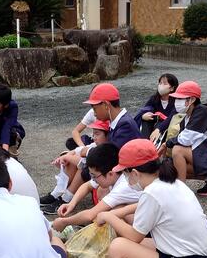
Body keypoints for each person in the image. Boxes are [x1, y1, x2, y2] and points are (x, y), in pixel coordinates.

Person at [41, 84, 140, 213]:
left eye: (94, 107)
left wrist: (85, 152)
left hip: (129, 179)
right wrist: (79, 152)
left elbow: (110, 155)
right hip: (120, 174)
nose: (93, 112)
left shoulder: (125, 124)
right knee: (81, 160)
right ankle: (61, 196)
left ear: (106, 105)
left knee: (88, 165)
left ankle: (65, 199)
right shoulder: (119, 121)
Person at [51, 142, 141, 231]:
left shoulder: (122, 187)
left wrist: (64, 222)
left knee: (113, 212)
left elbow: (90, 215)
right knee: (104, 196)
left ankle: (128, 235)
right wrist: (71, 204)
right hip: (139, 212)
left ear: (110, 174)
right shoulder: (116, 174)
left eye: (94, 176)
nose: (93, 179)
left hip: (143, 227)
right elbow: (87, 186)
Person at [161, 80, 207, 197]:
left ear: (191, 100)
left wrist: (167, 144)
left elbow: (185, 139)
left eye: (180, 99)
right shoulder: (186, 118)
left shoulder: (202, 111)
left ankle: (180, 191)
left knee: (177, 150)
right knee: (171, 165)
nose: (176, 102)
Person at [39, 120, 111, 214]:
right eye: (93, 134)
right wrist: (65, 156)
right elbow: (78, 150)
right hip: (95, 179)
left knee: (83, 167)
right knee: (71, 156)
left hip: (101, 182)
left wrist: (67, 157)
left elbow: (85, 162)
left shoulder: (107, 149)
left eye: (97, 134)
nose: (94, 137)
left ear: (108, 135)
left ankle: (65, 199)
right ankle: (57, 194)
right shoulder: (95, 144)